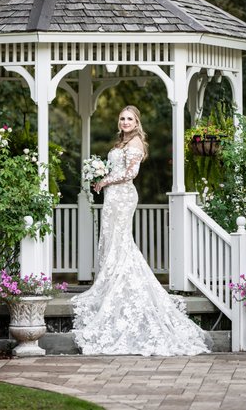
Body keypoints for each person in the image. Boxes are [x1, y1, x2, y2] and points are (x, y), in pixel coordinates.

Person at [73, 105, 210, 356]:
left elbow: (130, 173)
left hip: (123, 196)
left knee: (121, 241)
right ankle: (109, 283)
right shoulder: (121, 142)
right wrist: (101, 174)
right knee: (111, 239)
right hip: (113, 197)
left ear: (137, 123)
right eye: (122, 118)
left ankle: (121, 284)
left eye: (130, 119)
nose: (125, 122)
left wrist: (104, 180)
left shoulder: (135, 143)